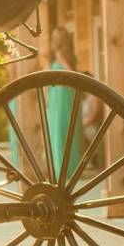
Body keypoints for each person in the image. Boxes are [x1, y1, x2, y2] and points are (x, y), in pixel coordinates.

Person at [47, 27, 83, 181]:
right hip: (55, 97)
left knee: (65, 130)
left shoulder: (64, 56)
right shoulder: (55, 57)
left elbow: (73, 77)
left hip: (64, 96)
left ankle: (66, 168)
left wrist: (61, 60)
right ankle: (58, 168)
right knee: (56, 131)